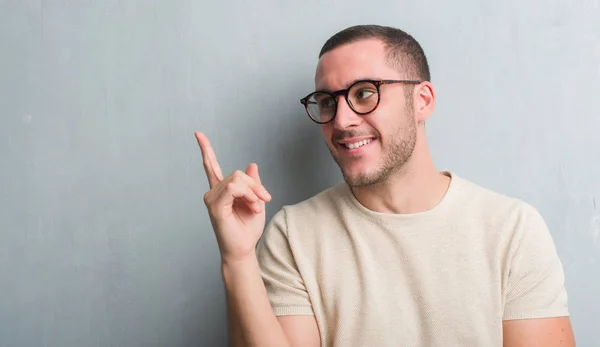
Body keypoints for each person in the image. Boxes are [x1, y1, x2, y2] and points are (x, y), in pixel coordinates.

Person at [195, 24, 575, 347]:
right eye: (327, 101)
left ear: (422, 100)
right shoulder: (294, 234)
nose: (341, 121)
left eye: (364, 93)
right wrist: (238, 258)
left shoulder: (512, 230)